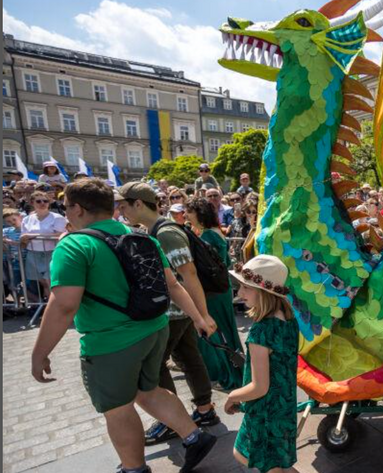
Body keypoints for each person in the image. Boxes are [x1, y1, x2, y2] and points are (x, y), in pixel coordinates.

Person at [30, 178, 217, 473]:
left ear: (77, 209)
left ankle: (134, 468)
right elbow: (174, 286)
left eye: (64, 207)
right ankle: (194, 437)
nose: (64, 213)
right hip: (155, 328)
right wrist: (197, 317)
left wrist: (39, 352)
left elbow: (64, 305)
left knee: (117, 407)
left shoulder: (75, 245)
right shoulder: (144, 238)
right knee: (148, 389)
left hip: (111, 342)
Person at [113, 182, 222, 444]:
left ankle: (172, 421)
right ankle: (203, 411)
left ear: (138, 203)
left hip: (174, 312)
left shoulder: (166, 233)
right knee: (187, 356)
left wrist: (202, 315)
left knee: (155, 366)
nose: (121, 210)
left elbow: (189, 273)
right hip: (175, 310)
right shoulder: (156, 230)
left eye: (124, 205)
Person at [224, 255, 300, 473]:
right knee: (276, 462)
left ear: (264, 291)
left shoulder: (260, 331)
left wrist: (232, 396)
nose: (239, 293)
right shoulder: (288, 319)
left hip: (265, 411)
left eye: (246, 288)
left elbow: (259, 387)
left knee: (250, 456)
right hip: (284, 405)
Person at [185, 197, 244, 390]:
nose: (186, 215)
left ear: (198, 213)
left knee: (217, 331)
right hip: (221, 287)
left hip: (214, 290)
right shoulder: (213, 232)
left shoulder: (208, 235)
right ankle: (236, 368)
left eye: (189, 211)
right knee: (226, 329)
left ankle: (227, 373)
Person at [20, 191, 68, 299]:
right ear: (32, 202)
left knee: (50, 282)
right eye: (39, 201)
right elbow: (24, 237)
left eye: (45, 201)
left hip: (51, 253)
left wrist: (34, 235)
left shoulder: (57, 217)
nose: (42, 203)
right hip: (33, 253)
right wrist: (23, 239)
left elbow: (61, 234)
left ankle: (54, 308)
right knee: (44, 283)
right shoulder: (27, 219)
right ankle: (47, 307)